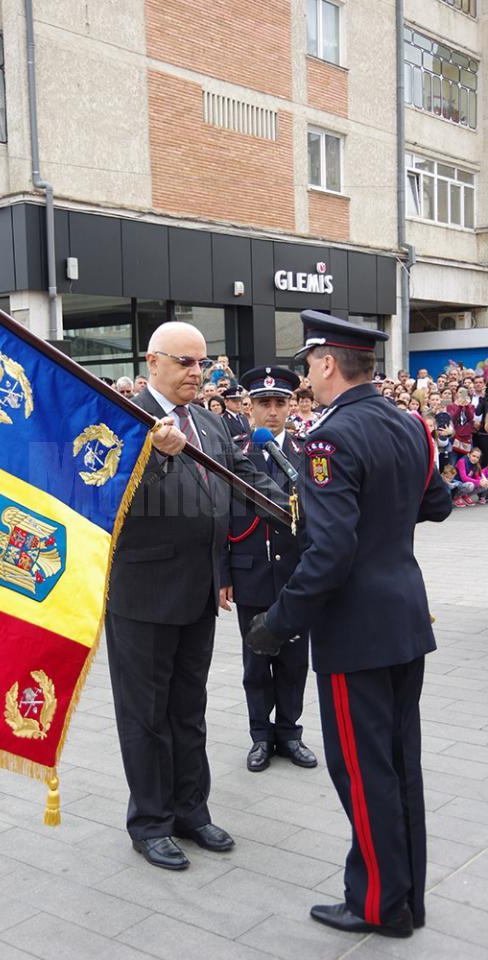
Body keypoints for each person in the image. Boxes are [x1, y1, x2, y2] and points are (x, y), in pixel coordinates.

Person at [244, 311, 451, 939]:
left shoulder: (328, 439)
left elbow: (329, 552)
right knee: (398, 763)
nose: (306, 373)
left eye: (308, 362)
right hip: (404, 616)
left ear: (329, 363)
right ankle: (405, 897)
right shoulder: (406, 422)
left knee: (363, 772)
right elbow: (437, 503)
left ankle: (379, 906)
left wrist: (277, 623)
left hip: (356, 631)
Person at [106, 321, 288, 872]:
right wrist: (157, 456)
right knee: (146, 715)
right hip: (143, 596)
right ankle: (151, 821)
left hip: (199, 593)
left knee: (190, 710)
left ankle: (191, 810)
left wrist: (297, 505)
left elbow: (245, 481)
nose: (196, 372)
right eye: (184, 362)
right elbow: (109, 498)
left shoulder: (209, 422)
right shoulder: (120, 422)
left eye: (202, 363)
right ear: (152, 361)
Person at [219, 366, 317, 773]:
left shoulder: (308, 453)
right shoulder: (233, 453)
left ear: (291, 406)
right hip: (251, 571)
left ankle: (289, 732)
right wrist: (222, 574)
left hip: (296, 575)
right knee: (256, 661)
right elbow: (218, 517)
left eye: (280, 403)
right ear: (249, 407)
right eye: (264, 403)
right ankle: (260, 735)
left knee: (295, 660)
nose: (272, 411)